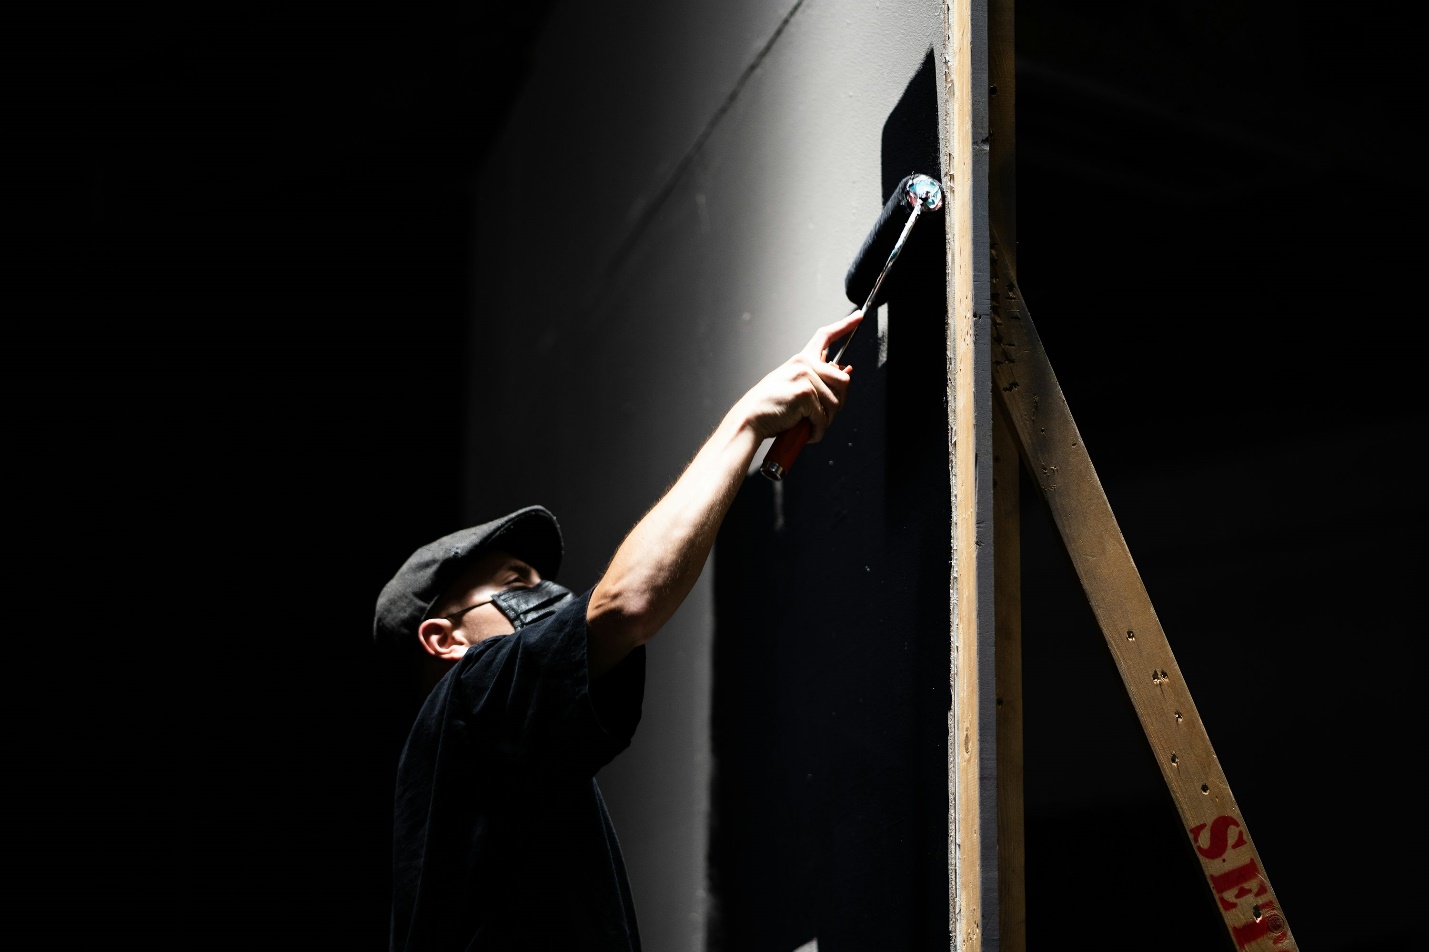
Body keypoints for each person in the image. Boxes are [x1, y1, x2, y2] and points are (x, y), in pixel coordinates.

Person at [373, 309, 863, 951]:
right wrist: (747, 419)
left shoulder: (506, 770)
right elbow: (624, 606)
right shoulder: (468, 700)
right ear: (444, 639)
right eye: (516, 584)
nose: (548, 594)